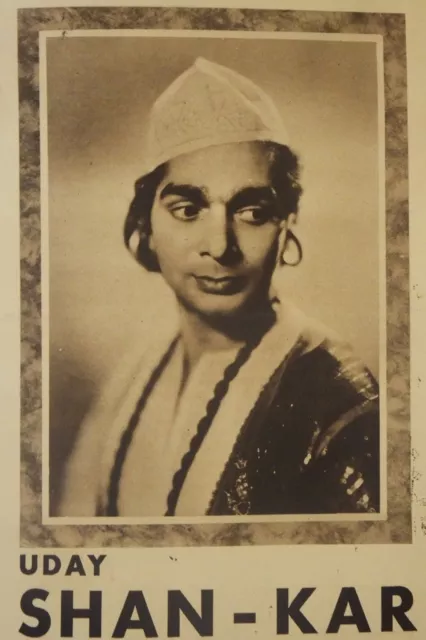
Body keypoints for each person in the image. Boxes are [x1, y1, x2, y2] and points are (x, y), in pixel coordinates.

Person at [59, 57, 380, 518]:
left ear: (287, 224)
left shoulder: (337, 400)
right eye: (188, 209)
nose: (220, 245)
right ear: (145, 223)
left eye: (252, 212)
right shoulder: (133, 378)